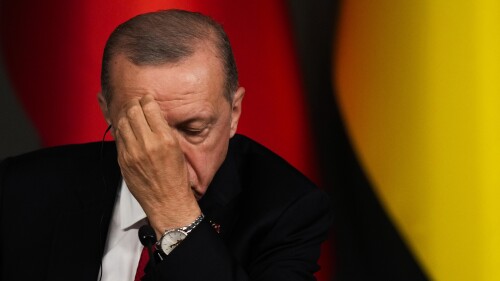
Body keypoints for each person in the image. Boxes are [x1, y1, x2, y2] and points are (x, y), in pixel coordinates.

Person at [0, 9, 332, 281]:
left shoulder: (288, 209)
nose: (164, 157)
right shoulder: (20, 189)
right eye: (144, 127)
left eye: (194, 129)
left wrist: (174, 213)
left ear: (234, 112)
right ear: (106, 111)